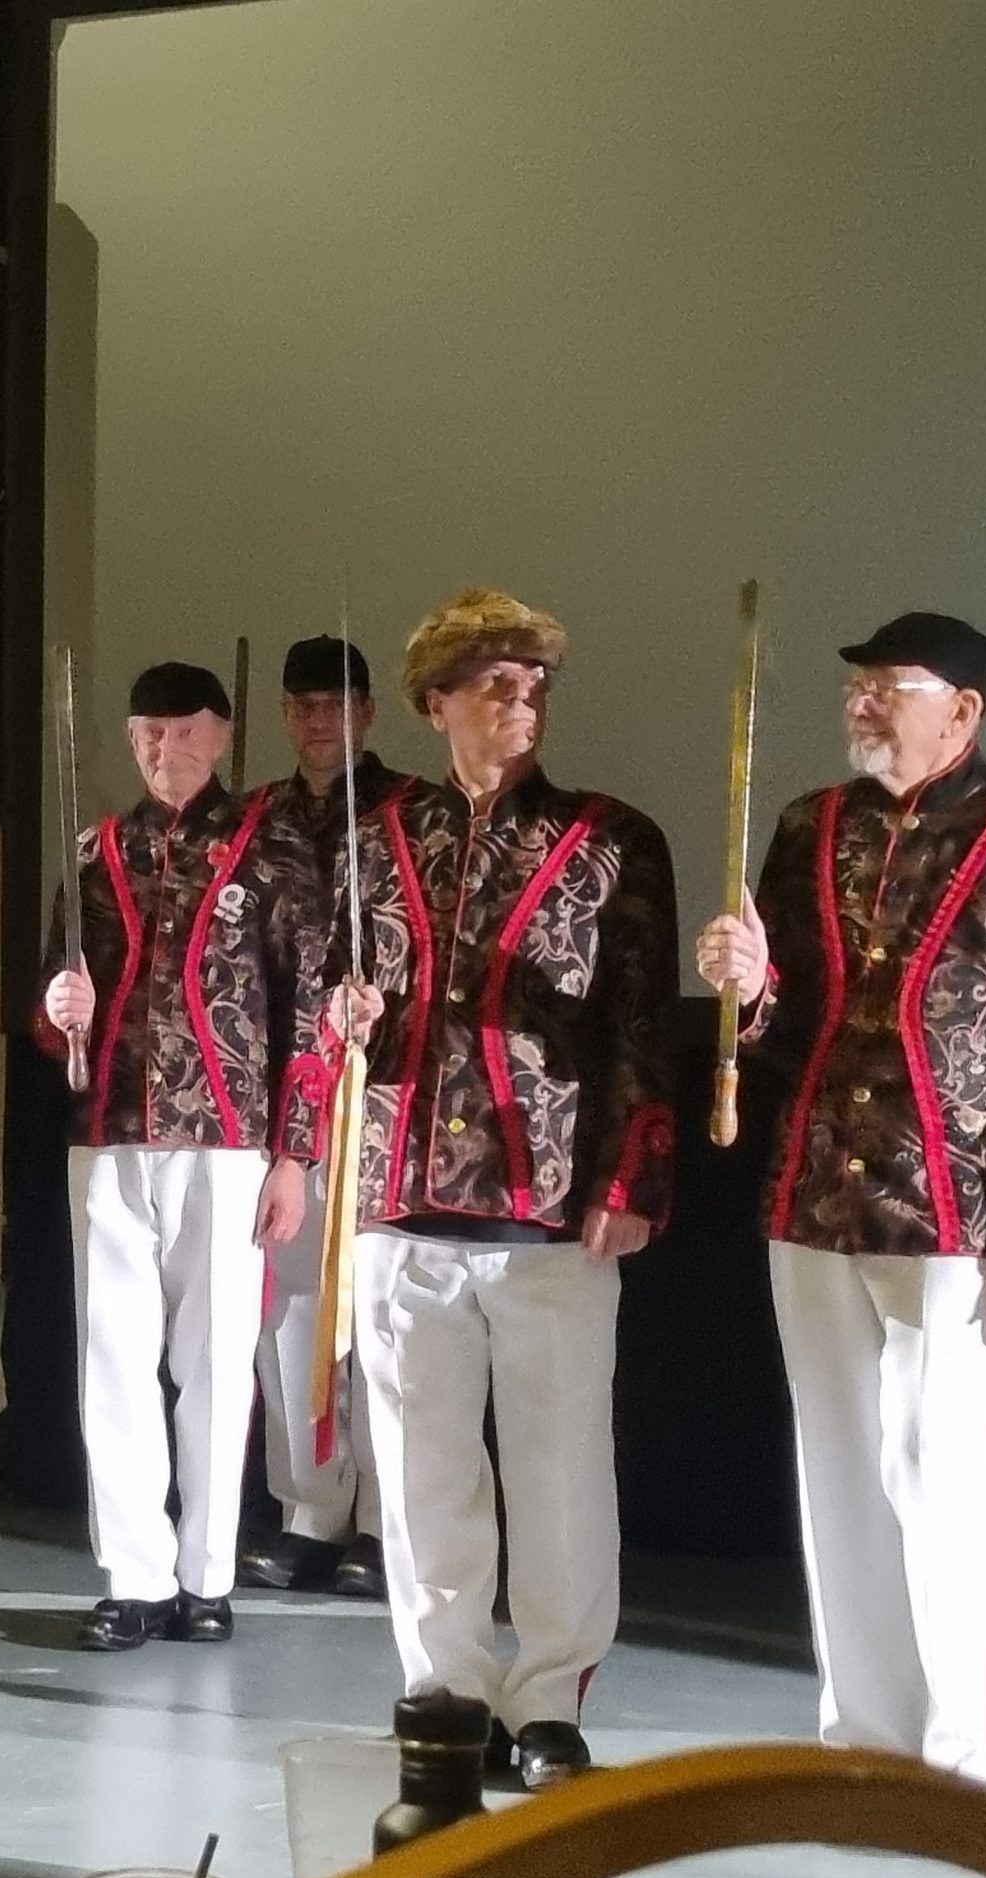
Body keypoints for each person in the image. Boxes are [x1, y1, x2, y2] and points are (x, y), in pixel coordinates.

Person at [696, 613, 986, 1785]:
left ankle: (960, 1760)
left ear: (964, 711)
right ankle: (863, 1740)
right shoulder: (807, 827)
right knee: (833, 1470)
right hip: (816, 1192)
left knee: (944, 1474)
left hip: (960, 1209)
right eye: (857, 688)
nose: (862, 706)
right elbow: (779, 1024)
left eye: (890, 688)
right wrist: (749, 985)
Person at [332, 591, 677, 1791]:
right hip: (400, 1189)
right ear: (435, 703)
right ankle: (448, 1684)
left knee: (560, 1463)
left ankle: (549, 1702)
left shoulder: (609, 837)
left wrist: (632, 1175)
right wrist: (344, 1018)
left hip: (548, 1201)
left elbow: (640, 1023)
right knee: (422, 1469)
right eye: (492, 683)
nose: (518, 703)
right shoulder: (369, 835)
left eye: (533, 685)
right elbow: (328, 995)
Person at [37, 661, 327, 1652]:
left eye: (185, 732)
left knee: (214, 1364)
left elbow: (310, 1012)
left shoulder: (274, 848)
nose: (166, 750)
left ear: (220, 735)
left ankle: (206, 1573)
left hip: (228, 1138)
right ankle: (133, 1573)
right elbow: (54, 992)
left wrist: (295, 1152)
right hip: (111, 1131)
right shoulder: (94, 850)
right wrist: (55, 1010)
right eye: (149, 734)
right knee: (109, 1361)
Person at [241, 634, 405, 1600]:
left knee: (380, 1310)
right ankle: (309, 1510)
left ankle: (386, 1521)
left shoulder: (410, 814)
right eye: (301, 706)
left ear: (367, 711)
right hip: (277, 1091)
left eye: (335, 705)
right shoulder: (253, 818)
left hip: (380, 1088)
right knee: (293, 1311)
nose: (316, 722)